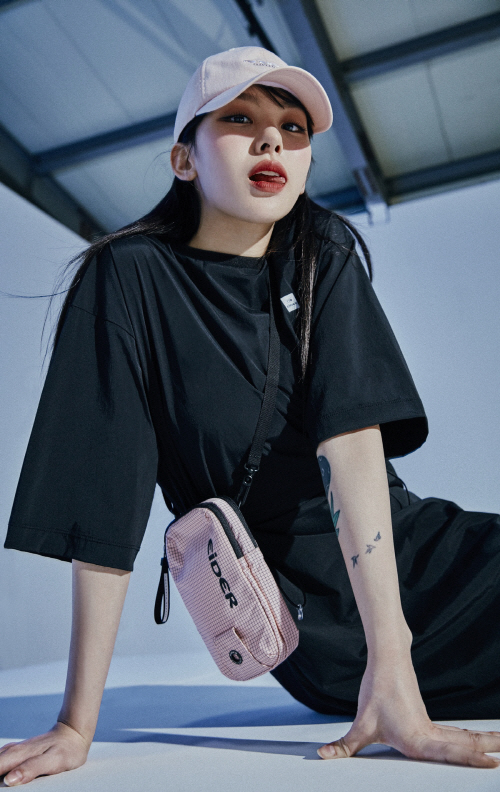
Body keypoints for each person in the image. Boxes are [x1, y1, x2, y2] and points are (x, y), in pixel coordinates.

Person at [2, 45, 500, 786]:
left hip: (413, 577)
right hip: (310, 635)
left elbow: (353, 449)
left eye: (293, 128)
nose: (272, 139)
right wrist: (77, 724)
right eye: (240, 119)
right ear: (184, 160)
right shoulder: (129, 278)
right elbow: (104, 503)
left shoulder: (321, 255)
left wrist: (392, 661)